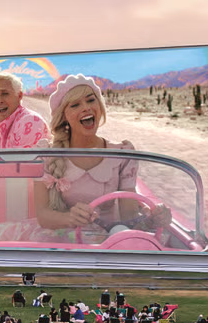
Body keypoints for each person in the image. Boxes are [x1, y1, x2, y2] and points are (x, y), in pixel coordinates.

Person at [28, 74, 165, 242]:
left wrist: (153, 219)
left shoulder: (123, 154)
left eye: (91, 100)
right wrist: (70, 218)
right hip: (63, 241)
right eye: (75, 105)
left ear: (99, 106)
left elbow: (129, 215)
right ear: (64, 116)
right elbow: (43, 216)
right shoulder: (46, 154)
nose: (85, 108)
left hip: (109, 240)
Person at [0, 72, 50, 149]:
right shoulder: (9, 124)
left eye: (5, 94)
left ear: (19, 96)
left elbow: (23, 160)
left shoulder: (29, 121)